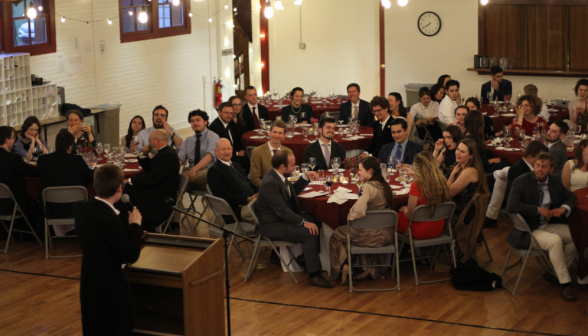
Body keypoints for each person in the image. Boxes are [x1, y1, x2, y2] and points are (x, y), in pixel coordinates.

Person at [74, 164, 144, 335]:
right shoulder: (110, 219)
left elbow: (104, 239)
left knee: (93, 325)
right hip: (111, 284)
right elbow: (130, 254)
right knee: (115, 327)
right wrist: (135, 226)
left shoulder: (81, 208)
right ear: (119, 188)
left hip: (89, 278)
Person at [255, 151, 333, 288]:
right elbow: (282, 211)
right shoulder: (270, 183)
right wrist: (303, 222)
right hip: (271, 225)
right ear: (282, 166)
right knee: (309, 232)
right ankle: (314, 275)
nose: (294, 167)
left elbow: (292, 192)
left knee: (316, 219)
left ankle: (306, 258)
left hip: (280, 219)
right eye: (292, 165)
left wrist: (305, 176)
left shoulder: (279, 176)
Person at [507, 152, 578, 301]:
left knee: (578, 235)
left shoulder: (555, 181)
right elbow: (511, 206)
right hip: (529, 230)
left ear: (551, 169)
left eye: (544, 167)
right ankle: (565, 283)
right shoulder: (521, 181)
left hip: (548, 225)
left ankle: (556, 272)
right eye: (537, 165)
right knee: (555, 241)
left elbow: (571, 197)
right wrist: (539, 210)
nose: (539, 169)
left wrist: (563, 208)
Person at [329, 157, 395, 283]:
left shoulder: (368, 187)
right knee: (357, 231)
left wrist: (350, 218)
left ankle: (345, 268)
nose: (357, 173)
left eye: (360, 170)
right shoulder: (385, 186)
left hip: (372, 236)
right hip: (387, 234)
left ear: (370, 171)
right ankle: (366, 268)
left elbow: (359, 211)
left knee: (338, 233)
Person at [124, 129, 179, 232]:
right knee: (129, 189)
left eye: (150, 140)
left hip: (163, 197)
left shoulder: (168, 155)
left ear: (157, 141)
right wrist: (144, 155)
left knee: (129, 190)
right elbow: (149, 168)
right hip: (156, 190)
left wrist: (130, 180)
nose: (148, 143)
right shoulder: (162, 153)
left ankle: (136, 226)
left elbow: (153, 178)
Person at [484, 141, 548, 228]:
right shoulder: (520, 173)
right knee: (504, 173)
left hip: (505, 174)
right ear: (530, 157)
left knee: (502, 173)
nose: (542, 162)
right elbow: (513, 201)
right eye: (540, 158)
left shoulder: (523, 168)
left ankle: (490, 217)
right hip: (529, 216)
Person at [38, 130, 94, 220]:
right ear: (70, 147)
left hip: (52, 210)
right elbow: (91, 178)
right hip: (76, 209)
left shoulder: (43, 160)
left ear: (56, 144)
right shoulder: (77, 160)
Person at [398, 152, 450, 239]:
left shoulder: (417, 185)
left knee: (396, 216)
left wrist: (404, 209)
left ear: (417, 167)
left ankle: (400, 249)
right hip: (438, 228)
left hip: (420, 230)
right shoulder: (442, 181)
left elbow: (410, 215)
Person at [207, 139, 257, 223]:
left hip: (252, 201)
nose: (227, 152)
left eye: (228, 148)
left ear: (232, 149)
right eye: (223, 149)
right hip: (237, 209)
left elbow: (248, 184)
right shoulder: (214, 171)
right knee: (269, 209)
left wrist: (260, 193)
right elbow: (225, 196)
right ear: (216, 152)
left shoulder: (237, 165)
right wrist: (247, 199)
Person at [447, 139, 489, 227]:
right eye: (458, 149)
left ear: (471, 156)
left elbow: (448, 194)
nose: (457, 153)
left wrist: (452, 174)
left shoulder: (469, 171)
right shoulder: (462, 168)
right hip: (456, 210)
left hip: (460, 216)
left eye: (462, 151)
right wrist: (453, 173)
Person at [0, 126, 38, 217]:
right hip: (13, 204)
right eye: (13, 138)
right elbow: (32, 172)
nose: (14, 141)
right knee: (38, 202)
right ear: (6, 140)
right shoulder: (12, 159)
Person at [178, 110, 219, 191]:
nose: (195, 123)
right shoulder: (188, 140)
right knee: (173, 186)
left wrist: (194, 170)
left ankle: (185, 179)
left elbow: (209, 158)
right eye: (192, 121)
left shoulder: (213, 137)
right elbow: (180, 159)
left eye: (198, 120)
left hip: (207, 171)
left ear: (206, 122)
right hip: (191, 171)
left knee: (181, 180)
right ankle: (178, 204)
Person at [249, 120, 293, 188]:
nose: (277, 135)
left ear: (284, 136)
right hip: (266, 192)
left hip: (284, 191)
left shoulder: (288, 152)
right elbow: (254, 178)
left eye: (280, 133)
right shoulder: (257, 152)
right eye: (274, 132)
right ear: (270, 132)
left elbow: (291, 175)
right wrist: (269, 188)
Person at [209, 102, 249, 172]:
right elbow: (220, 149)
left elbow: (233, 140)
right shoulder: (215, 127)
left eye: (231, 113)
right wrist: (237, 153)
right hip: (224, 158)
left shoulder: (227, 122)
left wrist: (240, 150)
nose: (229, 115)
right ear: (219, 112)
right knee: (250, 162)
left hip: (231, 153)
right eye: (226, 113)